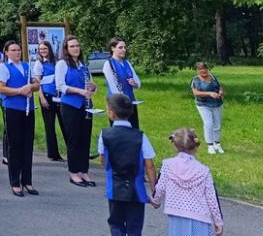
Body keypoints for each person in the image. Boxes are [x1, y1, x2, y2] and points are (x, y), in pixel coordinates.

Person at [98, 94, 157, 236]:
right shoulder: (141, 136)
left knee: (116, 225)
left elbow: (103, 159)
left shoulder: (105, 134)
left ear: (111, 113)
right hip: (136, 190)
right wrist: (155, 190)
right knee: (135, 227)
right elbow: (149, 165)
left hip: (114, 188)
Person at [151, 127, 224, 236]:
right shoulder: (203, 171)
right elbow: (211, 198)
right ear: (196, 147)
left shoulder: (168, 166)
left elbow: (160, 187)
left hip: (177, 215)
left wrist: (156, 201)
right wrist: (218, 221)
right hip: (200, 217)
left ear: (175, 146)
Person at [0, 39, 39, 197]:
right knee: (15, 146)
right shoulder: (4, 67)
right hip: (13, 109)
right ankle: (15, 181)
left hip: (28, 110)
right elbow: (1, 88)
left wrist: (30, 87)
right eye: (13, 50)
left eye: (18, 50)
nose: (17, 52)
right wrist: (20, 91)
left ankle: (27, 180)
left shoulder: (27, 66)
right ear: (6, 52)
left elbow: (36, 85)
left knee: (28, 145)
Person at [57, 35, 98, 187]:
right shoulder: (62, 64)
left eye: (77, 46)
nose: (76, 48)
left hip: (86, 105)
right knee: (74, 139)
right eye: (72, 46)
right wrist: (80, 92)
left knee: (85, 138)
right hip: (70, 106)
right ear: (66, 49)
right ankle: (74, 172)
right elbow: (60, 86)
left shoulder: (83, 65)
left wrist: (93, 87)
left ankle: (84, 170)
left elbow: (90, 83)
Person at [32, 40, 67, 162]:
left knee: (65, 123)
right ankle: (53, 153)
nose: (43, 51)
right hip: (46, 95)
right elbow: (37, 83)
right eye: (41, 49)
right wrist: (41, 98)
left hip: (59, 95)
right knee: (50, 125)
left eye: (45, 49)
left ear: (49, 49)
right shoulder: (39, 64)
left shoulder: (56, 62)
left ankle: (72, 150)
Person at [103, 38, 142, 129]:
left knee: (134, 130)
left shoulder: (127, 63)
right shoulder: (108, 64)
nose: (124, 49)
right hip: (117, 104)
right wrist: (124, 102)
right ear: (113, 48)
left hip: (131, 102)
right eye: (120, 47)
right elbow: (113, 88)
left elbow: (138, 83)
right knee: (120, 132)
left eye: (124, 47)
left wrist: (134, 83)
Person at [191, 62, 225, 155]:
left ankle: (217, 144)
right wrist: (210, 93)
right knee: (208, 124)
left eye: (204, 68)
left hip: (217, 104)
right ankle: (210, 145)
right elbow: (196, 93)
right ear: (197, 71)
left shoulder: (213, 77)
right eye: (200, 69)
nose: (203, 70)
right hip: (203, 104)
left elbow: (219, 86)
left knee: (218, 124)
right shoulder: (195, 80)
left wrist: (221, 91)